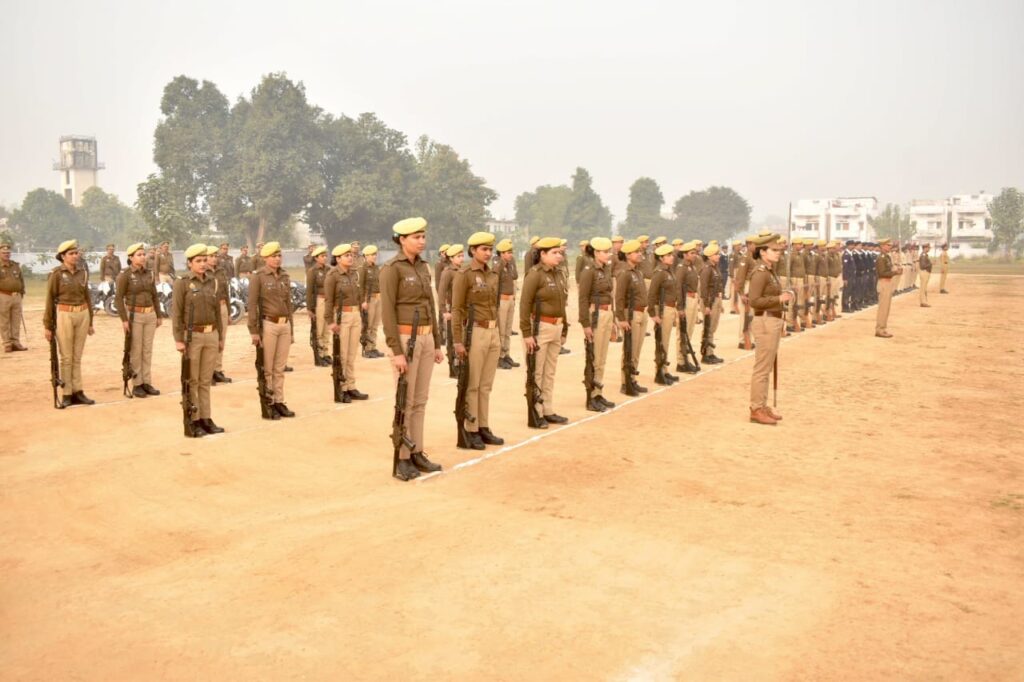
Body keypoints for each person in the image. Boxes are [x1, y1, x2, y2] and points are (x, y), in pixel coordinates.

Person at [381, 217, 445, 480]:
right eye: (416, 237)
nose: (422, 241)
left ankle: (417, 450)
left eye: (423, 236)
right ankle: (403, 457)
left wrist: (437, 342)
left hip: (426, 337)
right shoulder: (391, 269)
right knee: (405, 401)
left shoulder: (423, 267)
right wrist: (396, 351)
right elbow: (387, 312)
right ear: (402, 239)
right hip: (406, 339)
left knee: (420, 400)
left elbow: (430, 305)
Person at [452, 231, 503, 449]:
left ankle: (483, 426)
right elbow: (457, 309)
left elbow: (495, 306)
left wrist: (499, 333)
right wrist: (457, 340)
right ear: (473, 250)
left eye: (490, 249)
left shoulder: (493, 275)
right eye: (484, 249)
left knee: (486, 385)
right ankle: (471, 428)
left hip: (492, 332)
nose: (488, 253)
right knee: (472, 385)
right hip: (475, 332)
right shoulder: (464, 274)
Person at [173, 243, 224, 436]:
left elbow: (217, 311)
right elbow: (177, 313)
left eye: (204, 260)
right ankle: (193, 420)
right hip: (192, 336)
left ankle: (206, 418)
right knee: (192, 380)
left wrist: (220, 336)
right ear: (189, 263)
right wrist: (179, 339)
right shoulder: (182, 283)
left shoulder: (212, 282)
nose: (203, 264)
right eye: (198, 261)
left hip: (211, 334)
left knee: (205, 380)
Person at [520, 237, 569, 426]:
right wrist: (526, 333)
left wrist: (564, 328)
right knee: (536, 372)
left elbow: (562, 303)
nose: (559, 256)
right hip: (540, 327)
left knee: (550, 372)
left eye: (560, 253)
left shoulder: (559, 274)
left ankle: (547, 409)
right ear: (542, 254)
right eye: (554, 253)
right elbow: (525, 305)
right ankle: (535, 412)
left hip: (556, 327)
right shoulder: (535, 274)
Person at [747, 234, 793, 425]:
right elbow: (754, 301)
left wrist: (783, 297)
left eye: (778, 250)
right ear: (763, 252)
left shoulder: (769, 271)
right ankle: (756, 408)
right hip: (765, 321)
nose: (778, 253)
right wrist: (779, 299)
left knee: (766, 367)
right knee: (762, 368)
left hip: (772, 319)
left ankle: (762, 405)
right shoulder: (760, 273)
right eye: (773, 250)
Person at [43, 240, 95, 407]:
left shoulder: (83, 273)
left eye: (76, 253)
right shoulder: (56, 274)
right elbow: (50, 299)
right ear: (63, 256)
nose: (75, 256)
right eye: (71, 254)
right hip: (65, 314)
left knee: (77, 356)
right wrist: (48, 325)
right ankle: (67, 392)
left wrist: (90, 321)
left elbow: (87, 296)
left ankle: (78, 391)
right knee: (66, 356)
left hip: (82, 314)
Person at [248, 241, 296, 418]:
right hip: (268, 324)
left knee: (279, 368)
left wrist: (291, 329)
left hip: (284, 324)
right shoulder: (258, 277)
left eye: (279, 256)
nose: (277, 259)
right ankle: (268, 402)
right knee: (267, 368)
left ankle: (279, 401)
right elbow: (252, 305)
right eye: (273, 256)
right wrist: (254, 331)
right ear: (265, 258)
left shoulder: (284, 276)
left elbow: (288, 304)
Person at [116, 243, 162, 398]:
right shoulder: (125, 275)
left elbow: (154, 295)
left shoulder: (149, 273)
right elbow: (118, 298)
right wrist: (124, 319)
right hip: (134, 316)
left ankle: (146, 382)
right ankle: (137, 384)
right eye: (139, 255)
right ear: (131, 258)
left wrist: (158, 315)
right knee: (136, 350)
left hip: (150, 315)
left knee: (147, 350)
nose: (143, 257)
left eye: (143, 254)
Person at [325, 243, 368, 402]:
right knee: (342, 355)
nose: (350, 258)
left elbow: (358, 295)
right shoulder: (333, 275)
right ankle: (341, 388)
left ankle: (351, 386)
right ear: (338, 258)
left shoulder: (354, 273)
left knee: (351, 355)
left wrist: (361, 315)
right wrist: (330, 321)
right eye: (346, 255)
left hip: (355, 315)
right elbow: (329, 300)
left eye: (351, 255)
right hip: (341, 316)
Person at [578, 237, 616, 412]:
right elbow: (583, 298)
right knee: (594, 357)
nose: (609, 255)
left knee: (602, 357)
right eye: (605, 252)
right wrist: (585, 324)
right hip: (595, 315)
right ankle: (591, 396)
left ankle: (598, 392)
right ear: (596, 253)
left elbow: (609, 294)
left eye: (609, 251)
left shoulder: (606, 269)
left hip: (607, 314)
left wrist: (613, 318)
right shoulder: (589, 271)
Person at [616, 239, 648, 394]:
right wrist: (621, 319)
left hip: (641, 312)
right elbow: (619, 297)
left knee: (637, 349)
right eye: (636, 252)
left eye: (640, 251)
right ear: (628, 255)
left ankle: (632, 379)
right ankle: (626, 382)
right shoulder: (625, 273)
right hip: (631, 314)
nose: (640, 254)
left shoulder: (638, 272)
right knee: (630, 349)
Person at [646, 243, 679, 384]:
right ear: (661, 258)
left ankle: (664, 370)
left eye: (671, 255)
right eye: (668, 255)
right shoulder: (659, 273)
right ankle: (659, 372)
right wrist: (653, 314)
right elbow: (652, 294)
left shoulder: (668, 271)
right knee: (662, 342)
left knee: (666, 341)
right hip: (663, 309)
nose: (671, 257)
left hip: (670, 308)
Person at [207, 246, 233, 384]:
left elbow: (226, 292)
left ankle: (217, 369)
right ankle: (208, 372)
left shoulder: (221, 271)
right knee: (211, 340)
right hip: (210, 308)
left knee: (221, 339)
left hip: (222, 306)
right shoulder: (204, 272)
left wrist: (228, 311)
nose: (214, 258)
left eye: (215, 256)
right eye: (211, 256)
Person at [676, 241, 701, 373]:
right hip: (686, 300)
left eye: (695, 253)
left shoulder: (692, 267)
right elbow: (678, 287)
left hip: (693, 299)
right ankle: (681, 361)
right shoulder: (682, 267)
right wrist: (680, 307)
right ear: (685, 255)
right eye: (691, 253)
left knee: (689, 331)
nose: (694, 255)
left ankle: (686, 358)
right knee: (682, 332)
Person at [495, 239, 519, 369]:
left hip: (510, 299)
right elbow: (495, 284)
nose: (511, 255)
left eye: (511, 252)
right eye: (508, 252)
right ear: (502, 253)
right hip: (502, 300)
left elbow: (515, 276)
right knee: (501, 330)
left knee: (508, 330)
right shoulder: (497, 265)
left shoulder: (509, 265)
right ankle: (499, 357)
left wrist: (511, 263)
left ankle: (506, 354)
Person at [699, 242, 725, 364]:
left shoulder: (715, 267)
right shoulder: (707, 269)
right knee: (708, 327)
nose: (718, 256)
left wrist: (720, 303)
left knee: (712, 327)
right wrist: (706, 305)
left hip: (716, 299)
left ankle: (710, 352)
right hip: (709, 300)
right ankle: (706, 354)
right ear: (709, 256)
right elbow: (703, 288)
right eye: (716, 254)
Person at [306, 245, 331, 365]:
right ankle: (319, 355)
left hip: (328, 302)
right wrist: (310, 308)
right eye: (322, 256)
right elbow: (309, 291)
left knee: (327, 329)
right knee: (319, 329)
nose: (324, 258)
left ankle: (325, 353)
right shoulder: (312, 271)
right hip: (319, 301)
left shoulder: (329, 269)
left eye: (325, 256)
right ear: (316, 258)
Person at [0, 243, 27, 352]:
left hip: (16, 296)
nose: (6, 254)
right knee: (4, 321)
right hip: (3, 295)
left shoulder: (15, 265)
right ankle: (7, 343)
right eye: (4, 253)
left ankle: (15, 342)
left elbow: (21, 280)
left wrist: (22, 292)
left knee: (16, 320)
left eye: (8, 253)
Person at [358, 245, 383, 358]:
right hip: (369, 300)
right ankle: (367, 349)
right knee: (368, 324)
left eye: (375, 254)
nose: (374, 256)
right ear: (366, 256)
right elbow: (360, 286)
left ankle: (373, 347)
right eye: (372, 255)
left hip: (378, 298)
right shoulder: (362, 268)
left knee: (375, 325)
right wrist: (363, 301)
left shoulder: (376, 268)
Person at [874, 238, 896, 338]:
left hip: (888, 282)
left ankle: (883, 328)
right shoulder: (881, 258)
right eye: (888, 245)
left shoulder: (887, 257)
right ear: (882, 246)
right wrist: (894, 273)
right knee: (883, 308)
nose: (890, 247)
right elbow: (882, 273)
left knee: (886, 308)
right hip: (883, 282)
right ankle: (880, 329)